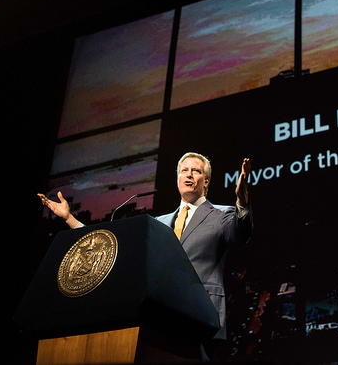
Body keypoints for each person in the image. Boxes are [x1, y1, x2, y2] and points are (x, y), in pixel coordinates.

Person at [38, 153, 253, 360]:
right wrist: (71, 220)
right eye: (184, 171)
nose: (188, 175)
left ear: (206, 181)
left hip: (200, 316)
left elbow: (240, 233)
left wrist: (241, 199)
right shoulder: (157, 222)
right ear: (177, 178)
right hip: (159, 315)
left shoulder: (222, 214)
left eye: (195, 171)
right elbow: (116, 251)